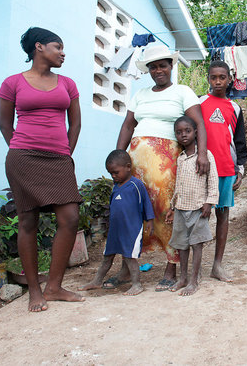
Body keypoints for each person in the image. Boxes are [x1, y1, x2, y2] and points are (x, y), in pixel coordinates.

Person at [0, 27, 85, 312]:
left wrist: (64, 154)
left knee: (70, 217)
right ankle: (34, 290)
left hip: (58, 159)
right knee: (27, 222)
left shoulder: (67, 84)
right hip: (23, 158)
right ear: (39, 47)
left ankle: (55, 287)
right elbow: (5, 125)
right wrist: (22, 151)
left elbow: (76, 125)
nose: (62, 53)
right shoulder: (12, 83)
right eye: (57, 47)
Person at [115, 44, 209, 292]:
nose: (158, 70)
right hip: (135, 161)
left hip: (166, 162)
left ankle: (171, 265)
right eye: (153, 67)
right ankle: (127, 266)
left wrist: (202, 155)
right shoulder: (141, 94)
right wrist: (118, 156)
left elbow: (199, 124)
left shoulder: (183, 92)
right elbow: (128, 126)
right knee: (131, 211)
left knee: (167, 210)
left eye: (162, 65)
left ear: (171, 66)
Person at [80, 150, 154, 296]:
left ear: (128, 167)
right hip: (115, 230)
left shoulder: (136, 185)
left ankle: (136, 284)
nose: (113, 176)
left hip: (131, 229)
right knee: (107, 256)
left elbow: (146, 203)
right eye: (110, 173)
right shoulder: (116, 186)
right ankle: (96, 281)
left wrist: (149, 221)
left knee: (129, 257)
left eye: (116, 172)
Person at [199, 61, 247, 282]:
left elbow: (240, 143)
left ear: (229, 79)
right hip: (202, 169)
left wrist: (241, 170)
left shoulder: (235, 108)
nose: (217, 81)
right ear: (208, 79)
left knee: (223, 214)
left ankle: (217, 265)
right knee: (197, 216)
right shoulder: (198, 104)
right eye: (213, 77)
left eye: (222, 77)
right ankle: (194, 268)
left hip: (226, 169)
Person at [165, 116, 219, 296]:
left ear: (196, 132)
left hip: (198, 209)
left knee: (197, 244)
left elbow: (213, 181)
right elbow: (178, 185)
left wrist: (209, 203)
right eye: (179, 133)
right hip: (181, 209)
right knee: (182, 245)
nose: (183, 135)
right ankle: (183, 278)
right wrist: (172, 207)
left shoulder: (205, 155)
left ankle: (194, 280)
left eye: (187, 131)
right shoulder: (180, 159)